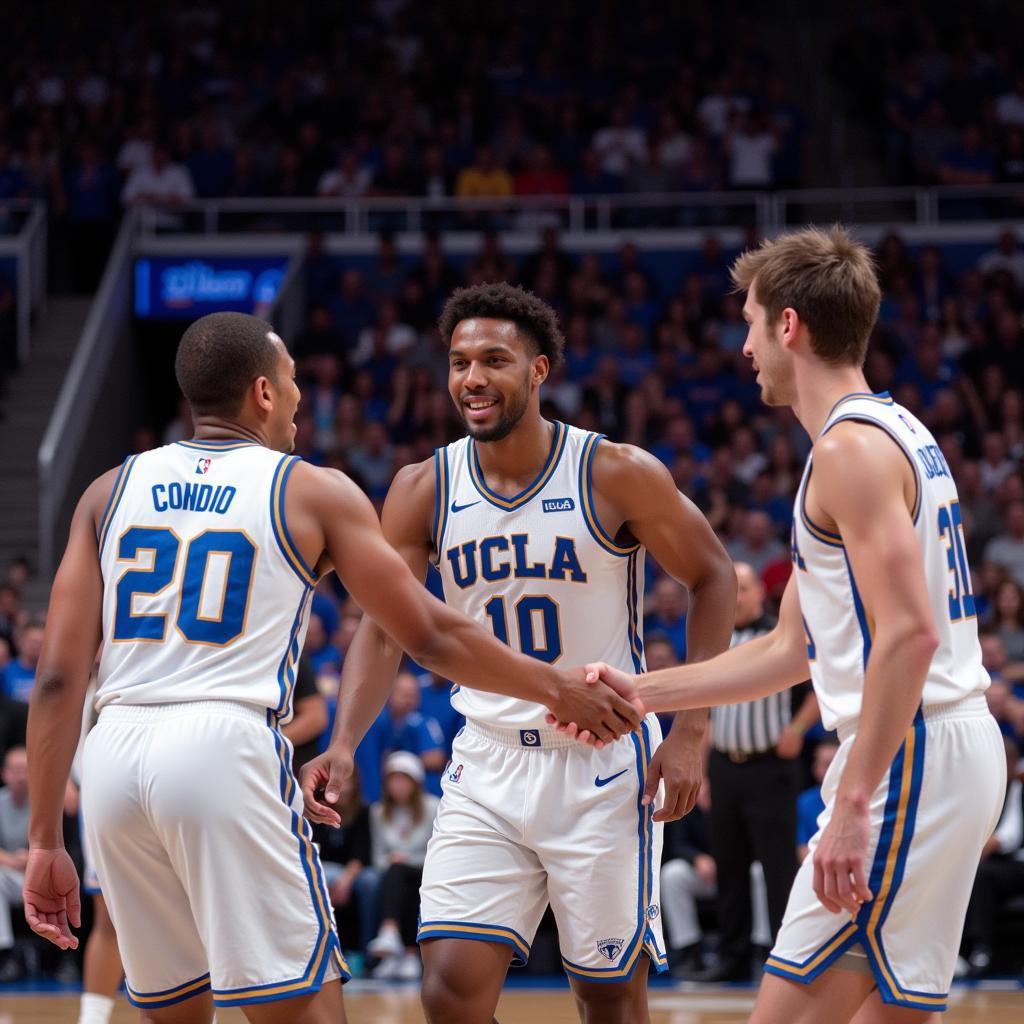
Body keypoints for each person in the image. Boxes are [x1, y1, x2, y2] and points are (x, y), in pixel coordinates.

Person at [23, 311, 643, 1024]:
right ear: (262, 392)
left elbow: (60, 680)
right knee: (304, 1009)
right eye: (289, 384)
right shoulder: (310, 489)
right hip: (224, 746)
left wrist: (44, 838)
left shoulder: (108, 490)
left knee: (175, 1012)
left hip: (112, 758)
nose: (297, 401)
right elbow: (428, 632)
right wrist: (553, 684)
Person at [576, 227, 1005, 1022]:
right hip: (938, 749)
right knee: (892, 1013)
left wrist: (849, 805)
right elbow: (787, 650)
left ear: (788, 326)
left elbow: (910, 636)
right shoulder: (890, 431)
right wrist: (641, 690)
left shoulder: (850, 452)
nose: (742, 347)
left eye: (748, 322)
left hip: (908, 755)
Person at [302, 282, 736, 1024]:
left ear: (538, 371)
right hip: (488, 759)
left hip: (601, 760)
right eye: (459, 361)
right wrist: (345, 740)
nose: (472, 378)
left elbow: (713, 576)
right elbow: (382, 626)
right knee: (447, 994)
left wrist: (692, 729)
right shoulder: (422, 487)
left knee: (607, 1000)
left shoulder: (613, 471)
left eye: (494, 360)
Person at [693, 561, 818, 983]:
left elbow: (819, 685)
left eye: (745, 587)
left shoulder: (781, 635)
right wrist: (704, 771)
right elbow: (704, 709)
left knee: (778, 867)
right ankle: (732, 958)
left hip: (771, 770)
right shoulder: (719, 638)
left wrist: (799, 728)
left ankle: (788, 958)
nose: (739, 595)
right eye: (734, 587)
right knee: (729, 868)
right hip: (725, 767)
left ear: (761, 593)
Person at [365, 752, 439, 980]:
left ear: (415, 782)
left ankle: (392, 937)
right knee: (397, 876)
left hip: (426, 869)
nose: (397, 785)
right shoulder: (378, 812)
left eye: (403, 779)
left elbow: (436, 853)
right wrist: (395, 861)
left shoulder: (432, 807)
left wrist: (405, 860)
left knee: (405, 877)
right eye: (392, 779)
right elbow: (378, 857)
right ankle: (403, 953)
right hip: (393, 872)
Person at [0, 747, 29, 983]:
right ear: (5, 774)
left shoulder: (48, 803)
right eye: (15, 770)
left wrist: (34, 857)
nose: (21, 776)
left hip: (40, 875)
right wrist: (10, 860)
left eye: (26, 770)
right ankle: (5, 955)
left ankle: (66, 956)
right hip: (9, 877)